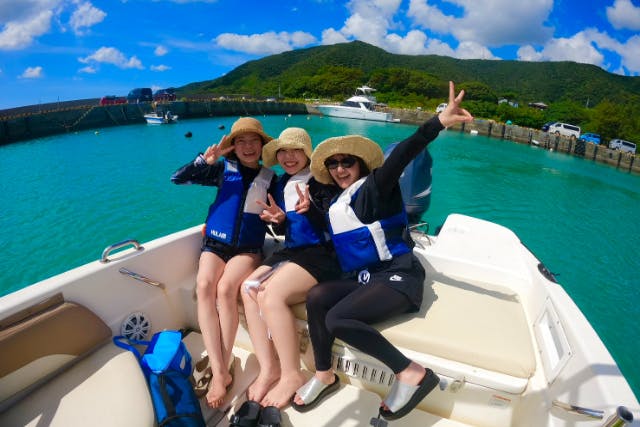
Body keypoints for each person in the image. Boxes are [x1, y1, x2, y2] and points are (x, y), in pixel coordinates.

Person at [292, 81, 473, 420]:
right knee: (317, 297)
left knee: (337, 319)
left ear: (360, 164)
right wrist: (306, 214)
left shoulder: (378, 186)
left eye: (347, 162)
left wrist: (437, 122)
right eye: (334, 164)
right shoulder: (340, 201)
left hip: (399, 278)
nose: (340, 169)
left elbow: (404, 152)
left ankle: (411, 373)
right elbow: (343, 236)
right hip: (367, 279)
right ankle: (324, 374)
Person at [171, 117, 276, 408]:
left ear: (262, 146)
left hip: (247, 249)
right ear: (233, 146)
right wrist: (203, 161)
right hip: (216, 244)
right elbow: (177, 178)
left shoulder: (271, 179)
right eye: (241, 141)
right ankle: (220, 370)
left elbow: (282, 219)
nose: (247, 146)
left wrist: (278, 219)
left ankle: (223, 365)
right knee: (204, 285)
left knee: (226, 289)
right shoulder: (221, 170)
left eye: (253, 141)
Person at [240, 127, 341, 409]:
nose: (288, 156)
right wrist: (280, 221)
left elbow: (337, 222)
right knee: (248, 288)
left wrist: (314, 210)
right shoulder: (283, 182)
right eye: (283, 151)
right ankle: (269, 367)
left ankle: (291, 374)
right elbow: (289, 226)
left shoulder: (322, 181)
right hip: (293, 251)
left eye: (296, 150)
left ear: (308, 153)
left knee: (270, 295)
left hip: (322, 254)